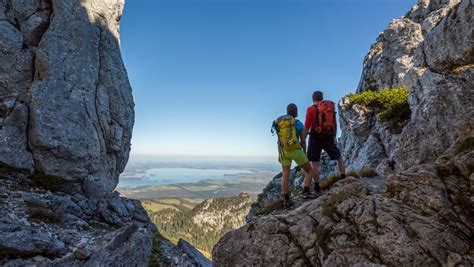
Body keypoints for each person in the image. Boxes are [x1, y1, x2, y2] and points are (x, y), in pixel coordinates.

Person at [273, 104, 316, 208]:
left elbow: (279, 140)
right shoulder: (298, 123)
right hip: (295, 150)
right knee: (310, 171)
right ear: (295, 112)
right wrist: (304, 153)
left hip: (283, 152)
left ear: (287, 111)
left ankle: (287, 200)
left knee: (285, 175)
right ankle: (306, 192)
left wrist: (280, 155)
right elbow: (303, 140)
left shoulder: (280, 124)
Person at [302, 91, 346, 194]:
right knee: (339, 158)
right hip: (328, 137)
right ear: (322, 98)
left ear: (313, 99)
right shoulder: (329, 108)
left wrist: (303, 139)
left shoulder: (311, 109)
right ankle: (343, 177)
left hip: (315, 138)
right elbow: (334, 124)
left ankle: (317, 186)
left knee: (315, 164)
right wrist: (334, 137)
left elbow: (307, 126)